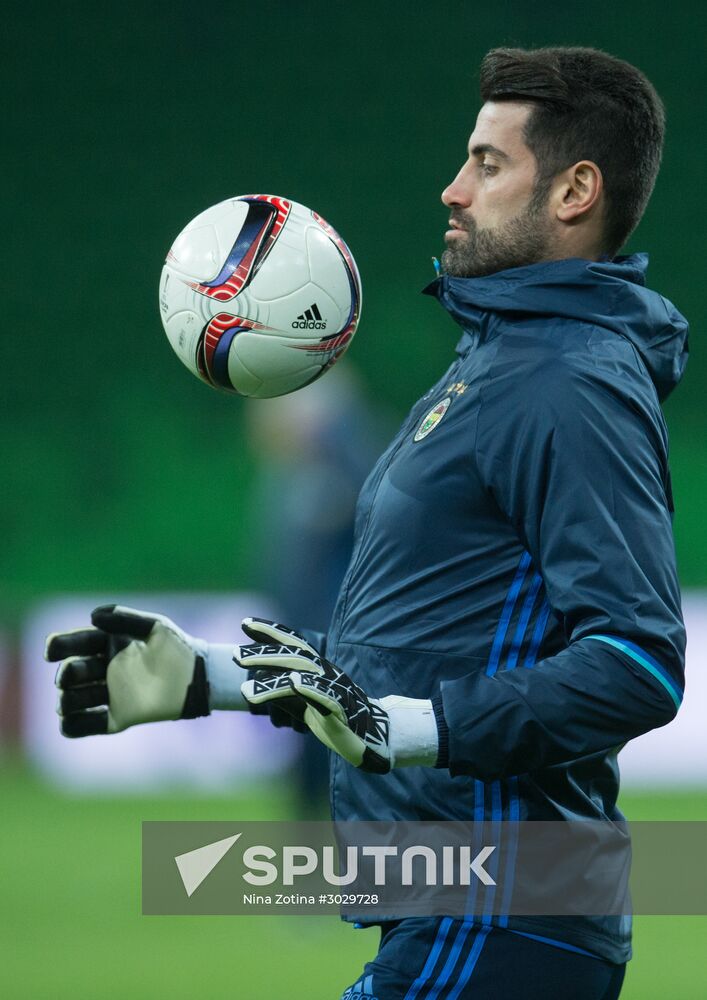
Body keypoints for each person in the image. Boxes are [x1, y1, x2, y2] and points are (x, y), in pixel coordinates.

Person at [46, 46, 688, 1000]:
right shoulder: (497, 365)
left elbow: (638, 661)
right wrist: (211, 679)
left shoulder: (568, 382)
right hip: (457, 911)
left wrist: (409, 728)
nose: (453, 188)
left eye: (488, 162)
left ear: (574, 191)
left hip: (502, 910)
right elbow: (412, 649)